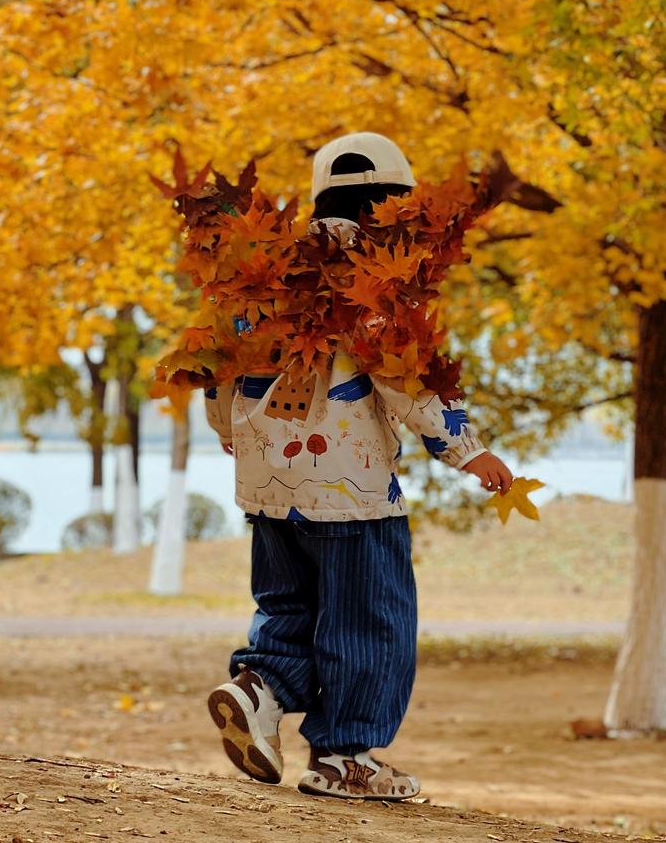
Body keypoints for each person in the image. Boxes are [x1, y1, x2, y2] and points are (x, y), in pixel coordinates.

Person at [204, 132, 513, 801]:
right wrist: (469, 448)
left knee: (286, 602)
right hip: (353, 489)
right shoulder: (374, 281)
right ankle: (344, 755)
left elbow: (214, 365)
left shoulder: (259, 270)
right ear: (386, 206)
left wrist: (229, 427)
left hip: (267, 485)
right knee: (370, 618)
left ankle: (259, 686)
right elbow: (410, 383)